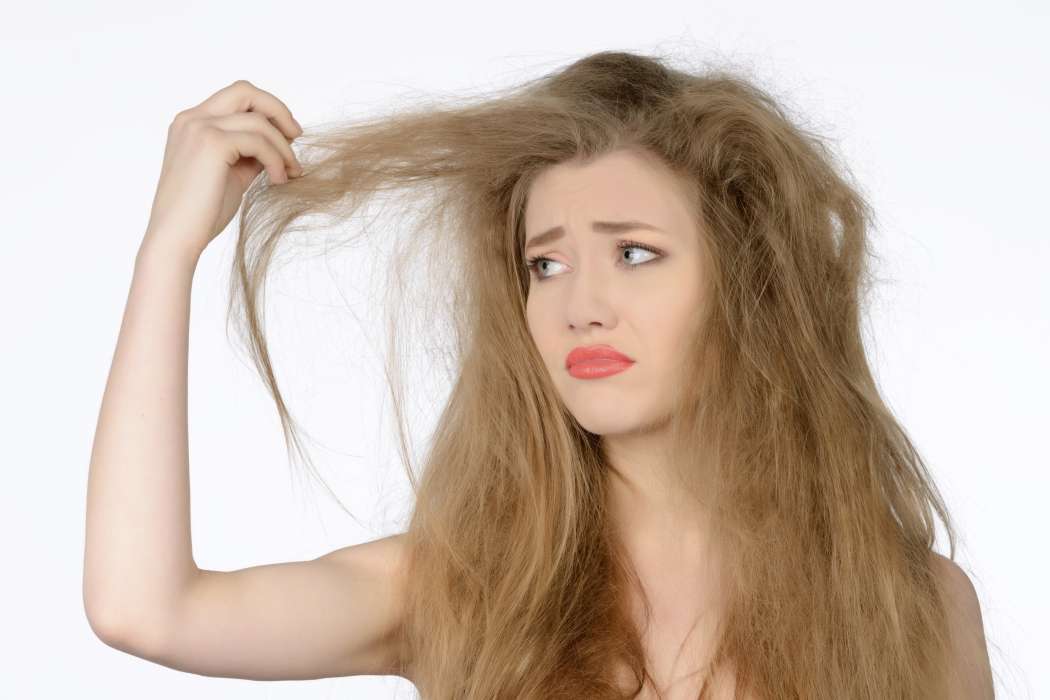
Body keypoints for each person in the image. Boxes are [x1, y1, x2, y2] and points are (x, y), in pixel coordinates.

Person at [83, 51, 994, 699]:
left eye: (634, 253)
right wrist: (168, 252)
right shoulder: (464, 591)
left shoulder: (913, 606)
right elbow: (147, 609)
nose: (579, 306)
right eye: (545, 265)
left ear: (750, 285)